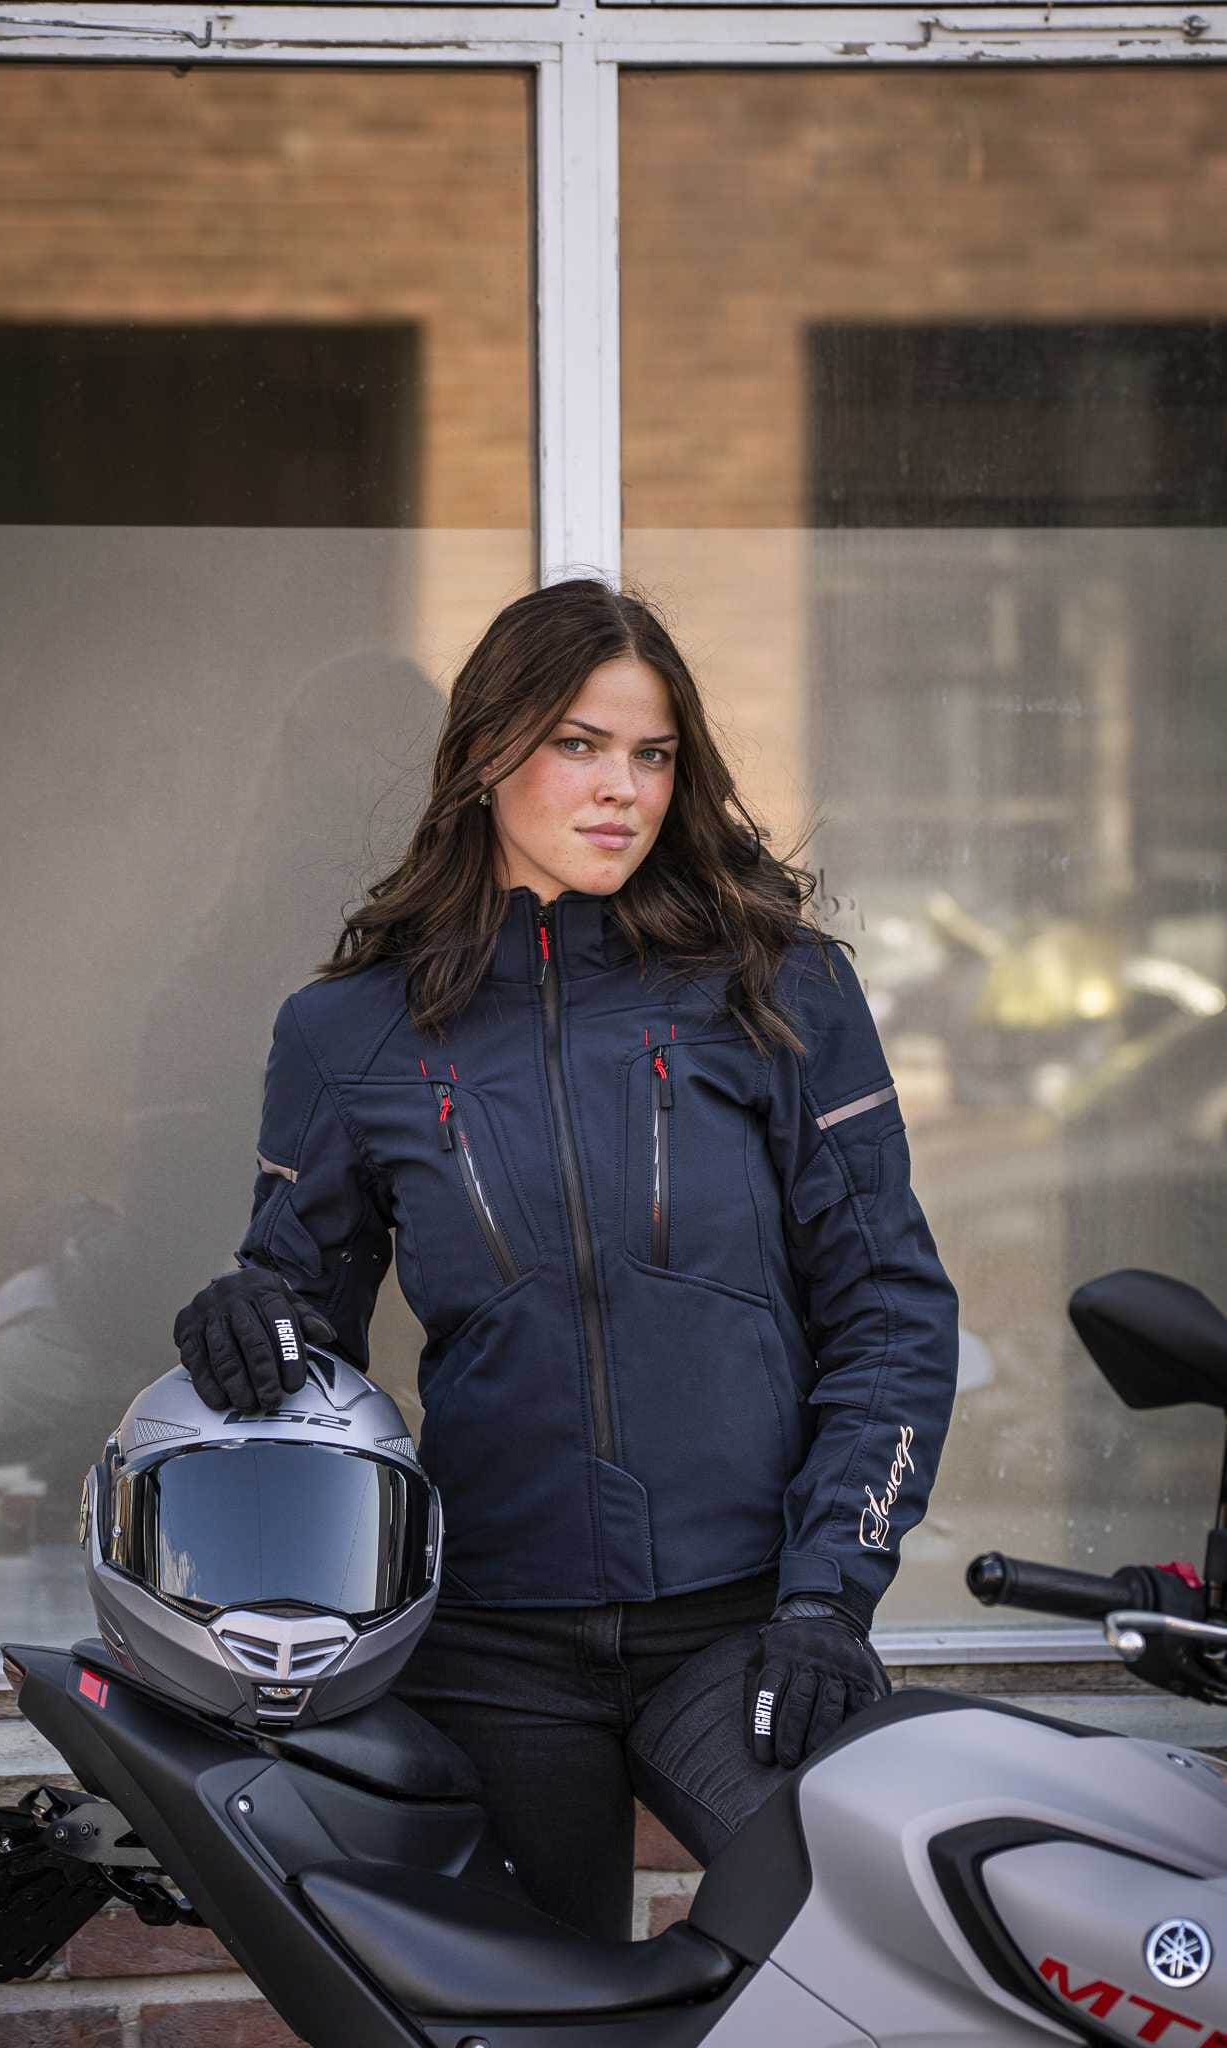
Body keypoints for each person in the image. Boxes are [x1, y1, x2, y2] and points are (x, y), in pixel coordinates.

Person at [172, 577, 960, 1942]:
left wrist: (829, 1600)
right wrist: (246, 1313)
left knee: (861, 1936)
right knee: (531, 2014)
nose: (623, 790)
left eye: (652, 754)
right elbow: (307, 1324)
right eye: (579, 746)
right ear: (487, 752)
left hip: (743, 1622)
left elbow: (889, 1307)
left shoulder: (776, 988)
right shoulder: (350, 1031)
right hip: (490, 1643)